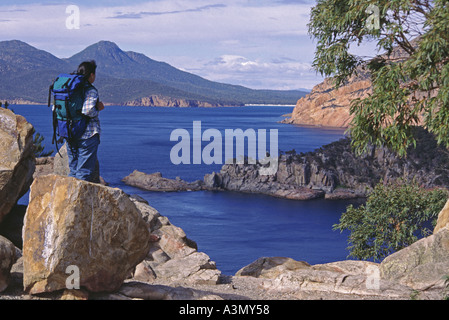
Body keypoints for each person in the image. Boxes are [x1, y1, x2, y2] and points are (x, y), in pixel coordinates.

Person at [66, 60, 104, 183]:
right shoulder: (90, 90)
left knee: (73, 170)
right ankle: (77, 201)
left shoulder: (69, 87)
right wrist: (98, 108)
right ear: (92, 75)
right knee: (84, 173)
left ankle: (69, 199)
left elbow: (56, 108)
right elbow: (87, 111)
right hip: (87, 135)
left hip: (69, 133)